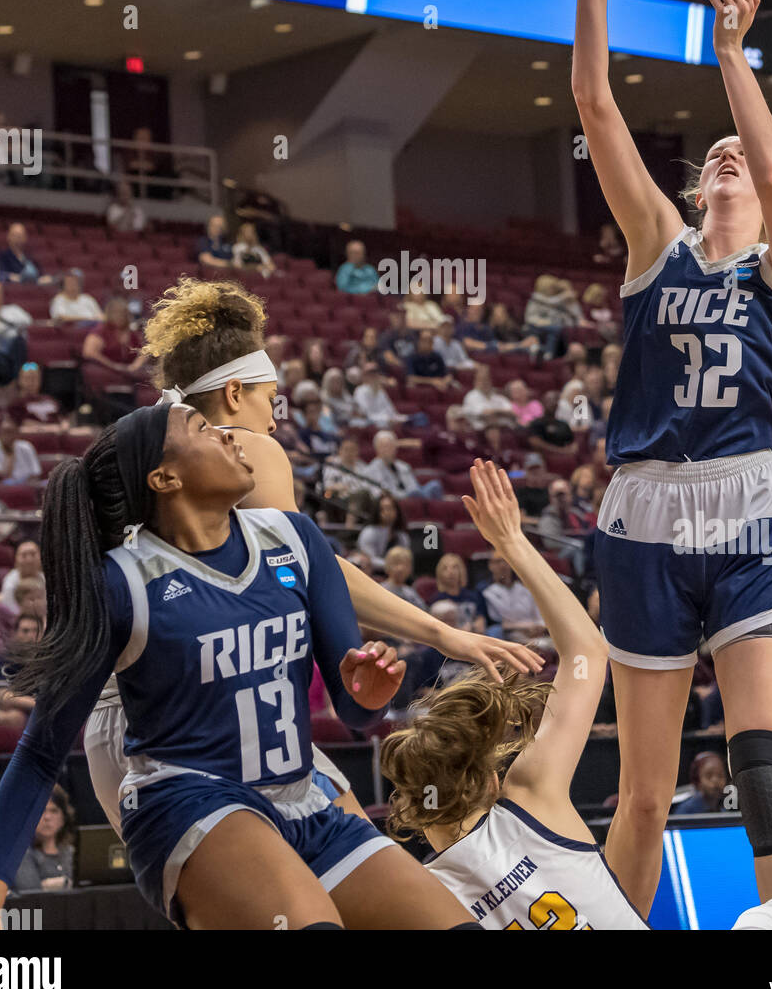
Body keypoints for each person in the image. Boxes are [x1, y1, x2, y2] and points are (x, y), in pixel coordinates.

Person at [563, 0, 772, 923]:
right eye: (711, 154)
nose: (726, 159)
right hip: (645, 513)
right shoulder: (653, 251)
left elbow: (771, 158)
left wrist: (732, 54)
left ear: (769, 200)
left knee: (761, 754)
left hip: (749, 504)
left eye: (741, 160)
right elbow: (594, 101)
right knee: (641, 795)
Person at [0, 401, 479, 931]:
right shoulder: (122, 582)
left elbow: (356, 713)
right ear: (164, 477)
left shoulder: (294, 539)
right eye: (204, 428)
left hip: (304, 799)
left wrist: (370, 695)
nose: (231, 436)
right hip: (187, 800)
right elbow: (42, 752)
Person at [77, 277, 540, 846]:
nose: (274, 420)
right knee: (337, 875)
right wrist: (446, 635)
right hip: (186, 706)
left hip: (127, 720)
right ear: (233, 394)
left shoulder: (143, 454)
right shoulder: (245, 448)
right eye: (270, 399)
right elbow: (313, 564)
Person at [384, 460, 645, 930]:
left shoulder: (418, 900)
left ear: (409, 808)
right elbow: (587, 650)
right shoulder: (530, 796)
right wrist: (512, 542)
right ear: (488, 780)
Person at [13, 787, 75, 893]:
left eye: (54, 811)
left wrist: (50, 885)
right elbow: (32, 893)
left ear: (63, 817)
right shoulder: (21, 854)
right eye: (41, 811)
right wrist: (66, 883)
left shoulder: (71, 852)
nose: (47, 817)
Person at [478, 554, 546, 641]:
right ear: (490, 566)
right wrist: (524, 627)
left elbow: (539, 617)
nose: (502, 565)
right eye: (498, 562)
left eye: (506, 561)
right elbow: (497, 623)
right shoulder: (485, 592)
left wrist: (539, 628)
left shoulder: (525, 589)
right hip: (509, 634)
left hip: (536, 633)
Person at [361, 430, 443, 501]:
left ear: (395, 448)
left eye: (390, 445)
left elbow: (413, 487)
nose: (387, 449)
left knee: (435, 485)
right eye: (383, 446)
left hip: (412, 496)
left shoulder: (404, 466)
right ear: (376, 449)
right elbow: (379, 493)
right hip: (396, 499)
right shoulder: (371, 470)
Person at [433, 553, 487, 633]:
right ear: (439, 574)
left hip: (474, 636)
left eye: (455, 567)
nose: (450, 572)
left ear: (461, 571)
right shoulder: (436, 600)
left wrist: (472, 628)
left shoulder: (474, 596)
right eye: (445, 568)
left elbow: (481, 623)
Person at [356, 494, 411, 567]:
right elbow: (369, 560)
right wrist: (392, 566)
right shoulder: (368, 532)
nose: (387, 512)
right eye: (383, 509)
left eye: (390, 508)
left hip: (396, 573)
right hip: (372, 573)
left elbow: (405, 559)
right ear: (377, 511)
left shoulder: (402, 536)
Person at [0, 416, 42, 484]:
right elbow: (0, 475)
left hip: (27, 484)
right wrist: (9, 454)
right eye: (5, 432)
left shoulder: (26, 446)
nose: (8, 436)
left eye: (11, 432)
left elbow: (36, 472)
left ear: (17, 433)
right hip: (4, 487)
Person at [461, 364, 513, 431]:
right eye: (481, 379)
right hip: (481, 432)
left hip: (504, 430)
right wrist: (501, 413)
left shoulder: (497, 396)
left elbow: (513, 412)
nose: (484, 382)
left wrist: (495, 412)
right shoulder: (471, 396)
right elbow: (485, 413)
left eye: (487, 379)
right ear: (475, 381)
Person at [381, 546, 426, 610]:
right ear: (387, 565)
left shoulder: (411, 594)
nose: (401, 568)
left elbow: (423, 611)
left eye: (405, 564)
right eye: (396, 563)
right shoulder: (381, 590)